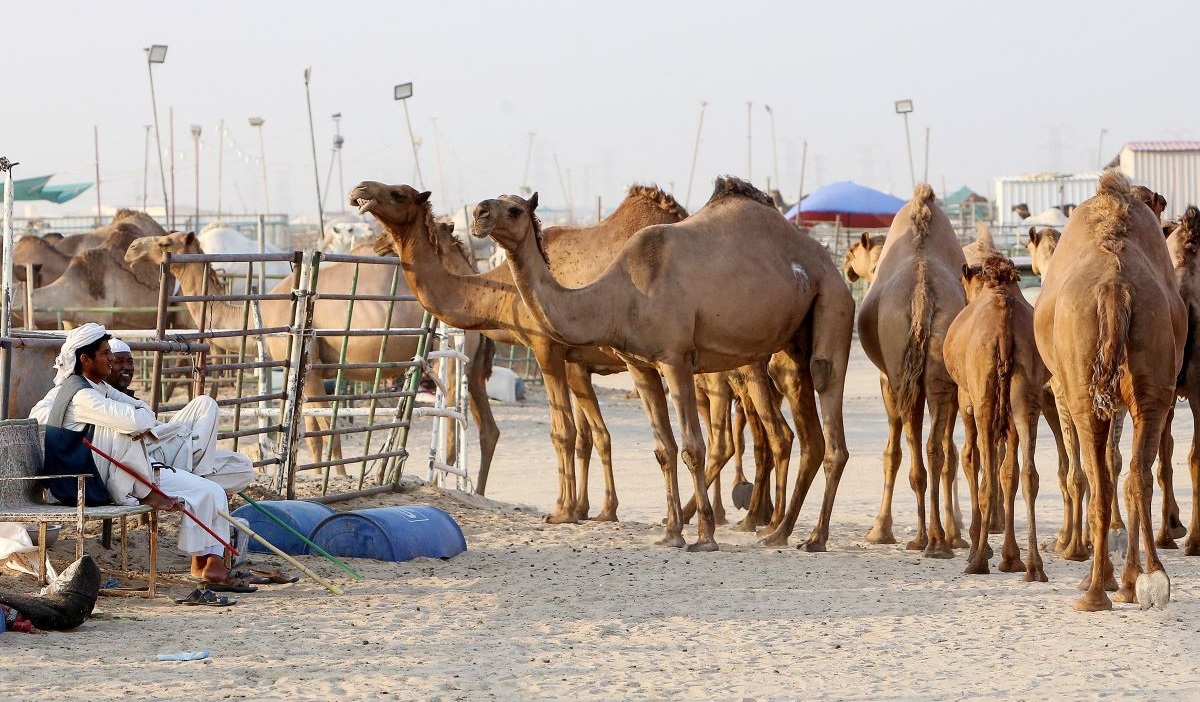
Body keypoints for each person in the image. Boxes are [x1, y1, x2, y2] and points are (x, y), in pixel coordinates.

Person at [28, 324, 250, 590]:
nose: (111, 359)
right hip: (85, 484)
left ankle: (208, 564)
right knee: (127, 431)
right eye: (106, 353)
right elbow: (136, 421)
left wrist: (139, 417)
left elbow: (145, 414)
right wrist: (137, 419)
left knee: (213, 488)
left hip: (118, 472)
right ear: (85, 359)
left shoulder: (98, 389)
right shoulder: (81, 395)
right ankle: (148, 492)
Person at [105, 337, 254, 494]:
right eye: (119, 361)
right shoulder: (101, 399)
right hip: (147, 457)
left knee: (243, 467)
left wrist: (168, 430)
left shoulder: (129, 397)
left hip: (167, 448)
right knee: (204, 408)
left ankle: (194, 476)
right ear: (106, 365)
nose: (127, 367)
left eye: (130, 361)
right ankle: (196, 478)